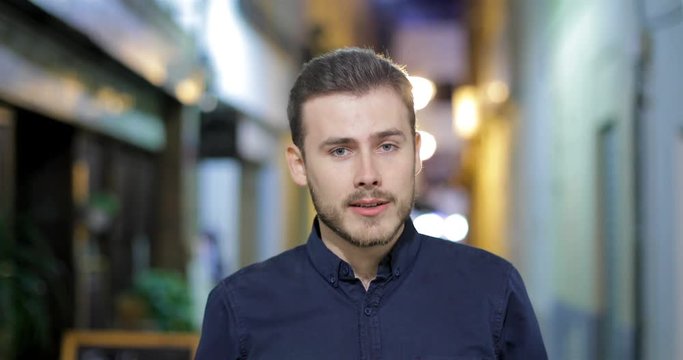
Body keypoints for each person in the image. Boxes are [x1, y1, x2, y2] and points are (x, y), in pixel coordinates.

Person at [196, 48, 547, 360]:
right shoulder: (239, 309)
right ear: (299, 165)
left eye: (387, 146)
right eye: (340, 151)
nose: (368, 175)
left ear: (417, 153)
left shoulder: (493, 291)